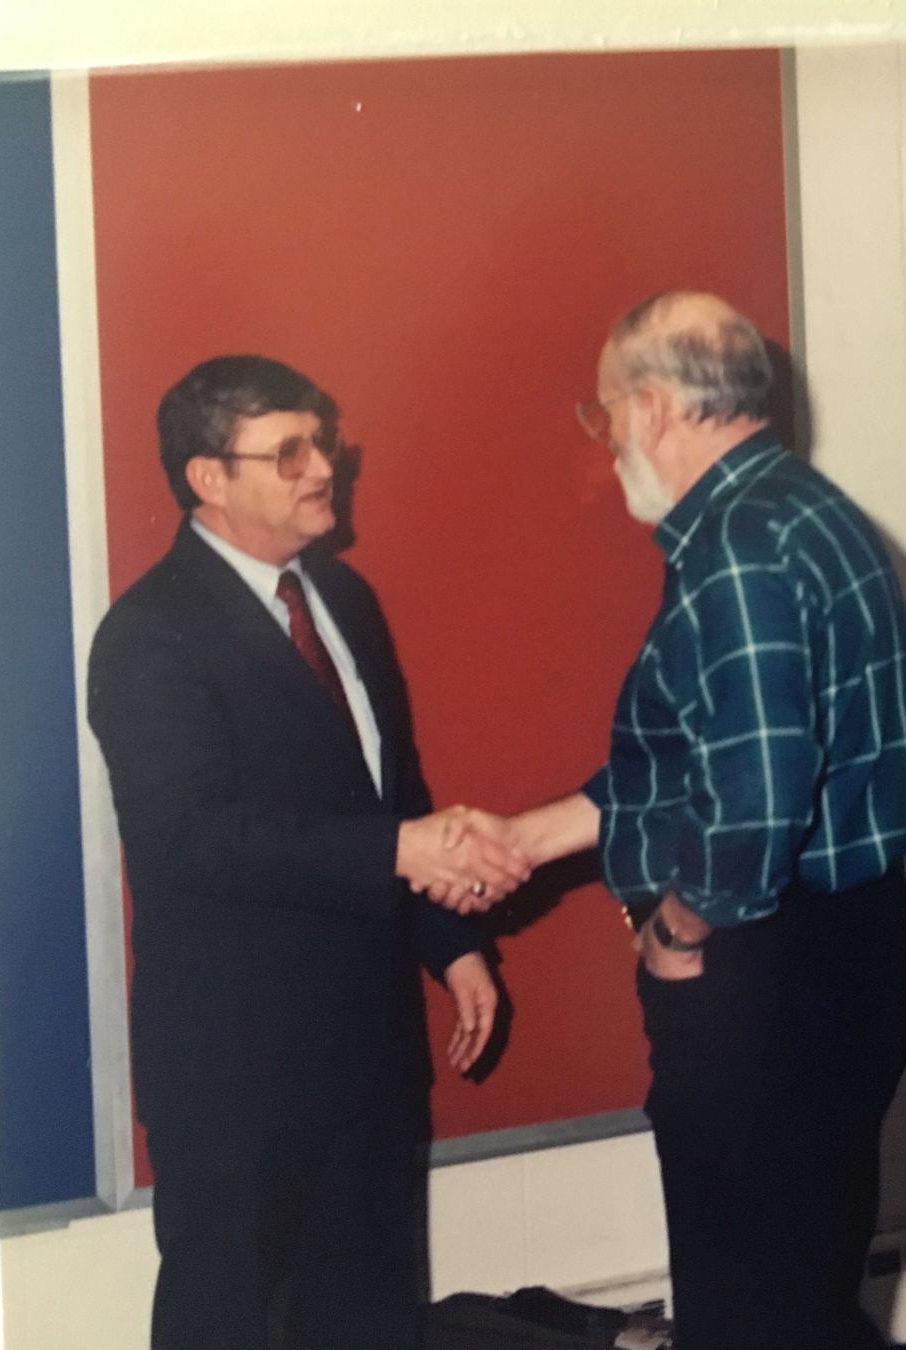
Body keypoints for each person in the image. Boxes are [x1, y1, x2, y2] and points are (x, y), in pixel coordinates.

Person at [491, 291, 906, 1349]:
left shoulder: (732, 552)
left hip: (764, 974)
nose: (606, 445)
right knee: (803, 1299)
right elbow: (709, 756)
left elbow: (756, 805)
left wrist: (680, 929)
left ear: (652, 407)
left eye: (604, 416)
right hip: (852, 953)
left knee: (748, 1317)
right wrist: (527, 840)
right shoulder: (798, 508)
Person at [87, 355, 529, 1350]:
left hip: (366, 1063)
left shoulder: (347, 603)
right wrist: (400, 852)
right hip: (238, 1077)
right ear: (209, 477)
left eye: (323, 444)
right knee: (230, 1326)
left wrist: (454, 946)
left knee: (364, 1324)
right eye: (289, 451)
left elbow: (391, 795)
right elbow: (192, 838)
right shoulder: (149, 635)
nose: (322, 467)